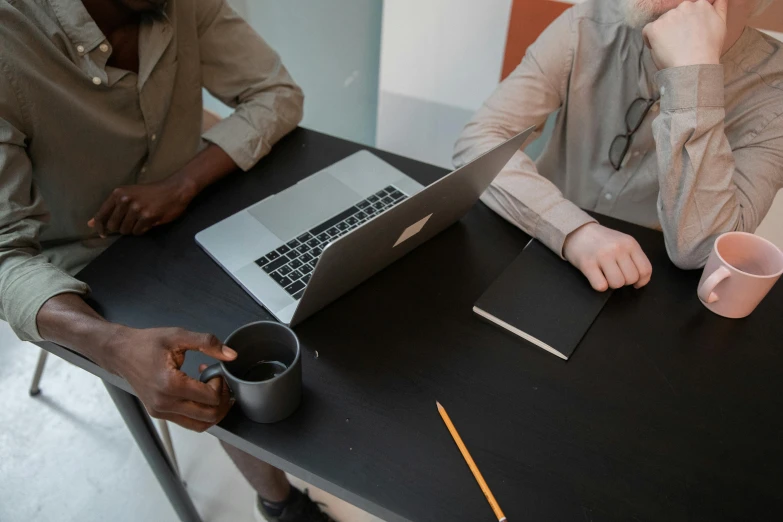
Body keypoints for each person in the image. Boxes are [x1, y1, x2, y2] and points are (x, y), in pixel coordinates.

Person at [0, 0, 333, 520]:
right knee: (218, 368)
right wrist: (112, 345)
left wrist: (182, 183)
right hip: (92, 260)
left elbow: (276, 92)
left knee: (314, 286)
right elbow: (3, 255)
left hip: (197, 206)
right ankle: (280, 502)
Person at [454, 0, 783, 292]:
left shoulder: (774, 96)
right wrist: (573, 231)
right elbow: (479, 141)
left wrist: (693, 77)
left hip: (649, 281)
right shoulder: (588, 23)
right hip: (534, 232)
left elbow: (701, 251)